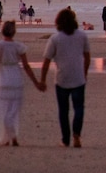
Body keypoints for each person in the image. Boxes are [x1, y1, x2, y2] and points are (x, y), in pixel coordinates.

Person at [40, 8, 91, 148]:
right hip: (78, 77)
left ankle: (65, 139)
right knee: (79, 108)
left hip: (62, 78)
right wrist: (84, 72)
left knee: (63, 110)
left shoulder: (55, 38)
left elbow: (46, 61)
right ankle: (76, 135)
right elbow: (87, 57)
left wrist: (43, 80)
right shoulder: (82, 35)